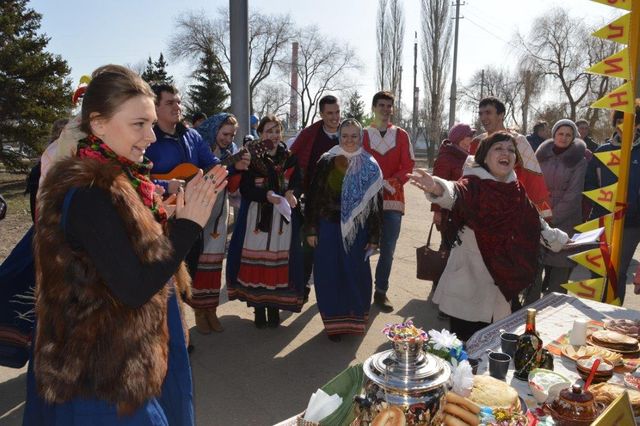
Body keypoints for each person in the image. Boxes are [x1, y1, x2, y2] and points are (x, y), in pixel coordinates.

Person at [24, 64, 228, 425]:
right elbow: (134, 288)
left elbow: (118, 250)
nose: (150, 136)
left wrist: (162, 219)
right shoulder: (91, 192)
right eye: (139, 124)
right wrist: (188, 225)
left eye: (151, 124)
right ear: (99, 123)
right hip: (102, 379)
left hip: (114, 364)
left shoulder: (118, 177)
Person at [408, 131, 569, 341]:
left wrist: (561, 240)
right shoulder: (473, 185)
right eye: (498, 148)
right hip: (468, 287)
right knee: (464, 348)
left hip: (501, 285)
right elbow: (455, 193)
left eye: (511, 150)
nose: (506, 153)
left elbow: (535, 223)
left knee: (492, 348)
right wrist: (436, 187)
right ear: (484, 156)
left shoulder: (516, 190)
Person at [305, 118, 383, 342]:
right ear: (339, 137)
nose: (349, 140)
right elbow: (314, 197)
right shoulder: (326, 161)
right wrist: (311, 229)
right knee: (329, 275)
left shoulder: (371, 165)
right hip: (328, 228)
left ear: (361, 137)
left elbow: (376, 206)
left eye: (354, 136)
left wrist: (374, 236)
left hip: (357, 232)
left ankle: (355, 320)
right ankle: (334, 325)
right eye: (345, 136)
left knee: (355, 274)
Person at [226, 115, 305, 328]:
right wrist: (266, 195)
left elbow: (298, 182)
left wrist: (292, 193)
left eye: (277, 131)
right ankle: (259, 309)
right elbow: (246, 189)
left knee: (278, 262)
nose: (274, 135)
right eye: (269, 131)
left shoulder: (290, 157)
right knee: (258, 261)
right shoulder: (251, 158)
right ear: (260, 134)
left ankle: (274, 308)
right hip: (257, 218)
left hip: (282, 221)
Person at [185, 113, 241, 333]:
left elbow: (233, 183)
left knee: (215, 261)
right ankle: (199, 311)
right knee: (199, 262)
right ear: (214, 129)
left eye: (232, 135)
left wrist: (239, 168)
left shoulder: (230, 153)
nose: (228, 139)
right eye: (225, 134)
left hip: (219, 210)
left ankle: (211, 309)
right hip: (199, 210)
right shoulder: (198, 148)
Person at [362, 91, 415, 312]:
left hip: (394, 198)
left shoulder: (401, 135)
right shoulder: (363, 134)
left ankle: (381, 291)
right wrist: (374, 181)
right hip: (366, 199)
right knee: (363, 246)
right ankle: (360, 289)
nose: (385, 109)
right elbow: (357, 162)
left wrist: (392, 181)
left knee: (388, 249)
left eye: (389, 106)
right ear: (374, 107)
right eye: (381, 105)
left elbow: (408, 165)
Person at [585, 105, 640, 303]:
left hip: (631, 224)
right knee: (597, 270)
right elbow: (589, 184)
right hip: (602, 219)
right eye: (619, 121)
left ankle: (614, 314)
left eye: (630, 122)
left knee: (618, 271)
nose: (623, 126)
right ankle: (595, 311)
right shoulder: (602, 151)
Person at [290, 95, 341, 300]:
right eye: (329, 113)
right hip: (313, 200)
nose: (334, 117)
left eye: (337, 112)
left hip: (341, 202)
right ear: (321, 114)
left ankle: (333, 291)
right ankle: (302, 287)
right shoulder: (310, 134)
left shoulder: (348, 133)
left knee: (336, 248)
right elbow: (291, 157)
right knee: (309, 246)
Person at [473, 97, 552, 220]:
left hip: (511, 210)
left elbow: (533, 177)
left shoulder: (519, 141)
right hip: (482, 211)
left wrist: (541, 215)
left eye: (488, 112)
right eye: (481, 114)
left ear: (501, 115)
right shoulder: (476, 143)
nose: (483, 118)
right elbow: (468, 177)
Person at [535, 119, 588, 295]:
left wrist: (551, 218)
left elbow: (573, 196)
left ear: (573, 137)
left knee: (559, 278)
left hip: (565, 222)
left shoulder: (579, 161)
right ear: (554, 134)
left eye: (568, 135)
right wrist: (539, 217)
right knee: (534, 273)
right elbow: (533, 185)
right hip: (539, 218)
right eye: (560, 133)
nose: (563, 138)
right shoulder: (540, 156)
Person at [430, 123, 475, 319]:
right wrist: (437, 211)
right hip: (449, 215)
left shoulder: (468, 157)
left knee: (456, 256)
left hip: (464, 215)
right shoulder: (447, 157)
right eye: (467, 137)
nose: (470, 141)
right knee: (449, 256)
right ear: (458, 138)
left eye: (471, 137)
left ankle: (445, 293)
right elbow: (436, 186)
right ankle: (444, 302)